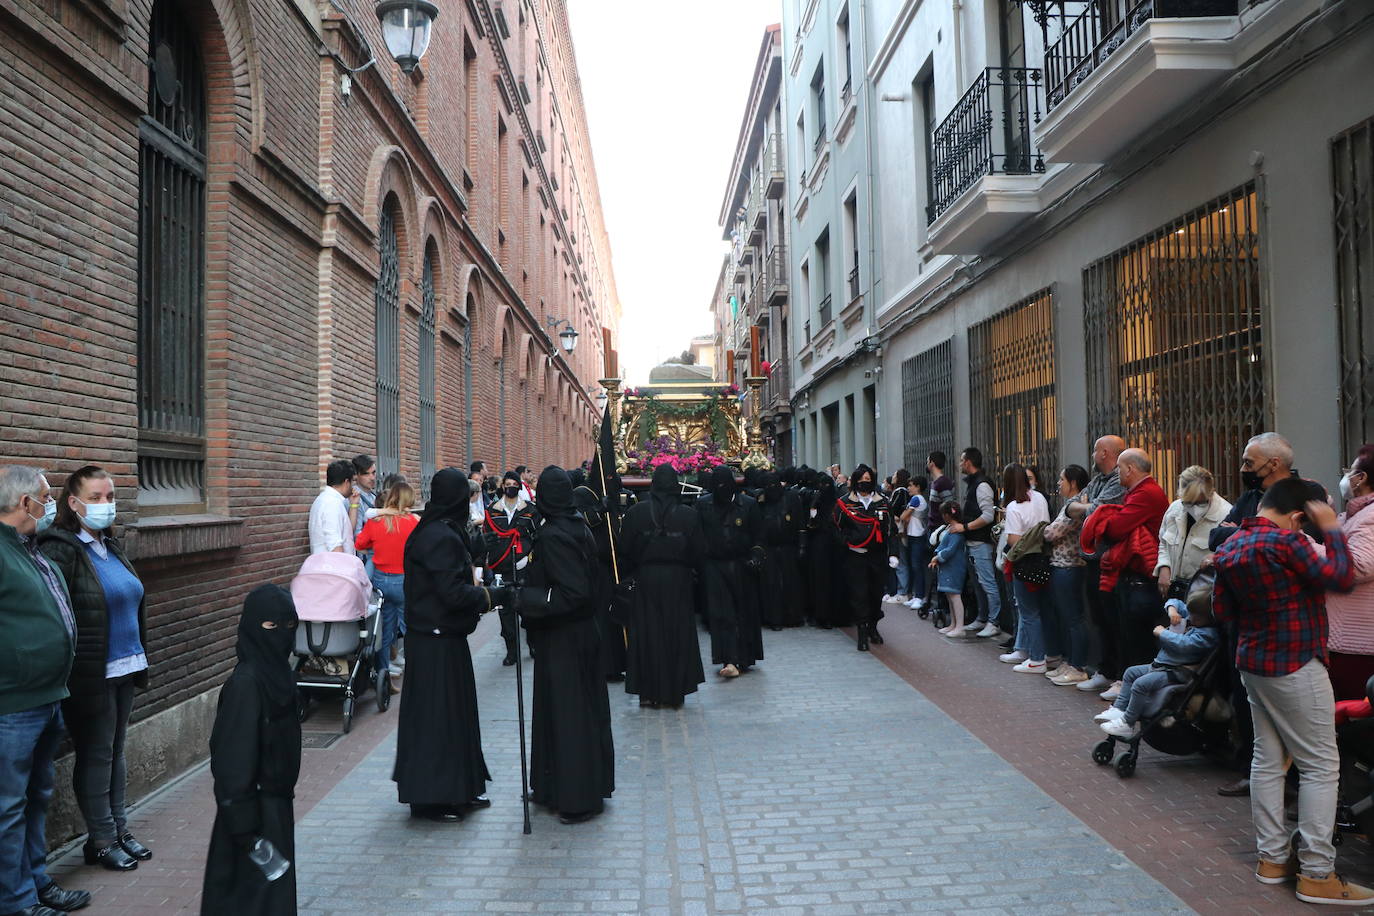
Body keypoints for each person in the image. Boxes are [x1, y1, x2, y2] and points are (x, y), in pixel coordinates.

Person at [1212, 477, 1373, 906]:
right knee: (1321, 765)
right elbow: (1342, 577)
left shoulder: (1231, 546)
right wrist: (1333, 530)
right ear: (1300, 515)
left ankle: (1273, 858)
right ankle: (1318, 873)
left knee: (1267, 760)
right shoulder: (1289, 543)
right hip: (1297, 661)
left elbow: (1222, 610)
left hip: (1253, 662)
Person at [38, 466, 152, 872]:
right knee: (97, 754)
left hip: (126, 662)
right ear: (73, 502)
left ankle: (120, 829)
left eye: (110, 497)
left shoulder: (111, 545)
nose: (107, 505)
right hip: (93, 672)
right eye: (97, 498)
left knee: (115, 752)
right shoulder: (62, 548)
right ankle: (100, 840)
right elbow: (55, 612)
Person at [0, 466, 88, 916]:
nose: (50, 505)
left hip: (48, 697)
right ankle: (15, 902)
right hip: (13, 704)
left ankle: (36, 883)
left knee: (37, 798)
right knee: (9, 806)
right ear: (24, 504)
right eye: (46, 498)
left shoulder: (30, 549)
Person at [393, 469, 504, 822]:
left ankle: (458, 788)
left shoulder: (436, 531)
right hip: (434, 642)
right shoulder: (438, 537)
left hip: (440, 640)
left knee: (452, 716)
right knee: (439, 719)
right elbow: (452, 593)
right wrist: (492, 596)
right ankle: (436, 795)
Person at [515, 467, 615, 824]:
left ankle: (578, 796)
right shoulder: (573, 526)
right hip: (577, 633)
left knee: (571, 715)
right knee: (560, 711)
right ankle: (553, 784)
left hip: (566, 635)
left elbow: (573, 592)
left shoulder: (557, 534)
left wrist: (527, 598)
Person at [1210, 432, 1304, 798]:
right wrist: (1235, 536)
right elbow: (1219, 536)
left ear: (1274, 463)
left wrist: (1238, 536)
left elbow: (1287, 548)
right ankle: (1253, 771)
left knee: (1287, 707)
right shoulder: (1250, 496)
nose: (1243, 468)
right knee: (1245, 698)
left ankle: (1294, 781)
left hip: (1283, 619)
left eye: (1249, 462)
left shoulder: (1303, 496)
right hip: (1241, 616)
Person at [200, 585, 301, 916]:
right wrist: (245, 830)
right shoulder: (247, 684)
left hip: (276, 808)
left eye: (289, 627)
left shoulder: (280, 676)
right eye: (271, 627)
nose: (281, 636)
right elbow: (232, 761)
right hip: (249, 816)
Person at [621, 465, 706, 709]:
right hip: (678, 580)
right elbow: (699, 551)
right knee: (677, 634)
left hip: (646, 579)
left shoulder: (636, 513)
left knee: (647, 634)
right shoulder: (688, 515)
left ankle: (648, 691)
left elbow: (625, 549)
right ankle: (675, 690)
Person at [1097, 597, 1220, 739]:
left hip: (1178, 671)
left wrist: (1163, 633)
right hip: (1163, 664)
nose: (1190, 618)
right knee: (1130, 673)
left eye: (1195, 616)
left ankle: (1127, 722)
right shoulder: (1195, 617)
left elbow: (1184, 644)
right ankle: (1119, 709)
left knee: (1140, 684)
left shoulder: (1208, 634)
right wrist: (1172, 611)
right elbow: (1174, 602)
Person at [1099, 449, 1170, 695]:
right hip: (1132, 575)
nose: (1117, 472)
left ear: (1130, 469)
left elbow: (1116, 529)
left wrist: (1105, 521)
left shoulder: (1146, 493)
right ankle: (1126, 681)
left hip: (1142, 577)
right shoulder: (1137, 492)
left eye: (1119, 467)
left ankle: (1132, 686)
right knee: (1126, 630)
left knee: (1136, 635)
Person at [697, 466, 765, 677]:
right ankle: (728, 658)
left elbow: (758, 535)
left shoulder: (748, 504)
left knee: (744, 612)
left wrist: (756, 556)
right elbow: (698, 536)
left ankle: (744, 655)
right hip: (714, 566)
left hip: (742, 564)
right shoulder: (703, 505)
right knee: (721, 613)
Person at [355, 481, 420, 690]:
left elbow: (360, 544)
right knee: (412, 628)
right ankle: (417, 672)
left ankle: (384, 675)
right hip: (405, 581)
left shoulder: (376, 522)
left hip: (381, 581)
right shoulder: (413, 522)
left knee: (384, 631)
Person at [1326, 445, 1374, 701]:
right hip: (1352, 644)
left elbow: (1356, 566)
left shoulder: (1370, 516)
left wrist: (1300, 544)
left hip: (1358, 647)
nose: (1345, 478)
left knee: (1355, 726)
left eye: (1350, 471)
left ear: (1361, 478)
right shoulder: (1357, 514)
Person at [835, 464, 899, 652]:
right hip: (855, 557)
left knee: (875, 593)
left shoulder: (883, 502)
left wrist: (894, 553)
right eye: (862, 480)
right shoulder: (845, 503)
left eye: (868, 480)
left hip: (877, 556)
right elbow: (836, 529)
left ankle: (873, 626)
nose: (865, 483)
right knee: (859, 594)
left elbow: (891, 530)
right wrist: (846, 543)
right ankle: (862, 631)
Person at [996, 464, 1052, 673]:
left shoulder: (1013, 507)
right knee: (1043, 609)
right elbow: (1045, 525)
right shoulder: (1039, 498)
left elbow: (1013, 539)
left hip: (1023, 562)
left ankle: (1036, 658)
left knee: (1028, 612)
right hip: (1043, 558)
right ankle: (1046, 653)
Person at [483, 471, 539, 667]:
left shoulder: (530, 510)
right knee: (505, 612)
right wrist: (484, 566)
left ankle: (533, 644)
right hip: (502, 566)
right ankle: (511, 651)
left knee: (528, 608)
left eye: (514, 483)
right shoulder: (493, 511)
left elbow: (536, 536)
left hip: (524, 565)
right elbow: (487, 539)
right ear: (503, 487)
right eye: (507, 483)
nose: (511, 486)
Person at [571, 481, 625, 682]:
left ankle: (611, 664)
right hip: (593, 573)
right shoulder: (582, 503)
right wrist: (599, 510)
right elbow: (582, 523)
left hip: (604, 573)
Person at [1043, 465, 1091, 686]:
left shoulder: (1078, 505)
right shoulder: (1070, 504)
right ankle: (1069, 661)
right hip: (1060, 565)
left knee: (1074, 619)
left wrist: (1043, 530)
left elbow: (1051, 533)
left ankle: (1078, 665)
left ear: (1073, 483)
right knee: (1066, 617)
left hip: (1070, 566)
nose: (1058, 484)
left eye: (1062, 480)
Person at [1155, 466, 1232, 602]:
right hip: (1172, 591)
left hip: (1204, 595)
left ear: (1211, 492)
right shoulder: (1175, 508)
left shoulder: (1226, 514)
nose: (1194, 508)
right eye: (1189, 502)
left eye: (1200, 502)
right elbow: (1163, 542)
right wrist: (1163, 566)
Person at [947, 448, 1003, 639]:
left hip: (981, 542)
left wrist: (965, 527)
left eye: (962, 460)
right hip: (973, 541)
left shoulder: (981, 485)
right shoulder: (975, 483)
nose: (960, 463)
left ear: (969, 462)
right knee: (979, 583)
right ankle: (982, 616)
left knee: (987, 582)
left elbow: (988, 515)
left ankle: (994, 621)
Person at [757, 472, 804, 630]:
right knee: (771, 584)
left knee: (790, 583)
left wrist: (801, 546)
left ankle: (792, 616)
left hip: (788, 546)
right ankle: (773, 618)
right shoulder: (761, 500)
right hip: (769, 548)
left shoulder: (790, 498)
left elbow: (799, 522)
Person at [805, 474, 847, 630]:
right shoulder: (821, 500)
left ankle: (829, 614)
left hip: (829, 546)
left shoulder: (836, 503)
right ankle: (823, 614)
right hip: (823, 546)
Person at [929, 503, 969, 638]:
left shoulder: (955, 532)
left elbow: (950, 550)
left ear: (947, 515)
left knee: (955, 596)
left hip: (954, 566)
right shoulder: (951, 529)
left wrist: (938, 556)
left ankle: (959, 626)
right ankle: (954, 623)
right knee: (950, 595)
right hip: (949, 566)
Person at [308, 459, 356, 555]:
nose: (354, 486)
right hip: (333, 567)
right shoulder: (331, 504)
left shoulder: (327, 500)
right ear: (347, 482)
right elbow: (335, 546)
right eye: (353, 481)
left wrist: (354, 505)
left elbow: (347, 532)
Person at [898, 476, 930, 612]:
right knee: (914, 566)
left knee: (916, 567)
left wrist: (905, 515)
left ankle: (920, 596)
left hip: (917, 536)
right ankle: (917, 595)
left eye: (911, 485)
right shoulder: (919, 499)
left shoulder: (916, 499)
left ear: (918, 487)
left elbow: (903, 517)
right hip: (915, 535)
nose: (909, 488)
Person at [350, 455, 378, 541]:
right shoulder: (354, 497)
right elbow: (356, 534)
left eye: (373, 472)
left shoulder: (374, 496)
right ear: (356, 476)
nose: (372, 478)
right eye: (366, 474)